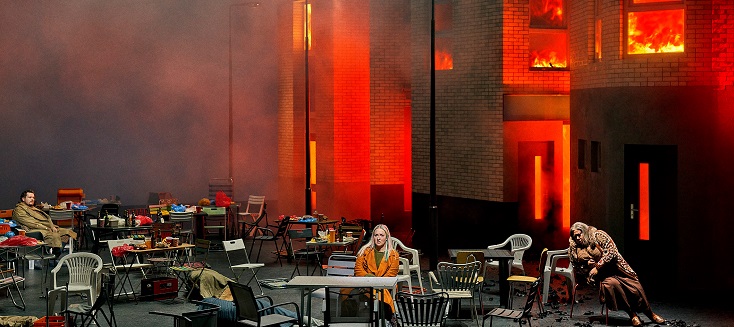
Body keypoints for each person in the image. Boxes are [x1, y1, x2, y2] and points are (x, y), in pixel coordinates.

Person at [568, 222, 665, 327]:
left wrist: (598, 265)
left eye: (579, 234)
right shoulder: (574, 249)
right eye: (575, 236)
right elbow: (576, 266)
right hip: (601, 276)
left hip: (615, 268)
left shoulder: (598, 235)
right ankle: (632, 315)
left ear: (585, 231)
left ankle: (650, 313)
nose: (578, 238)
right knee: (612, 285)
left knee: (634, 287)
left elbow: (612, 251)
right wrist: (586, 265)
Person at [353, 224, 400, 325]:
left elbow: (391, 275)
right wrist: (371, 279)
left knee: (382, 293)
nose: (378, 238)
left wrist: (375, 281)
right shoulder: (364, 251)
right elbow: (358, 270)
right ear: (373, 237)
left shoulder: (394, 255)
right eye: (376, 235)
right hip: (365, 284)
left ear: (387, 238)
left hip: (384, 286)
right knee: (345, 292)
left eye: (382, 235)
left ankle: (383, 321)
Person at [12, 189, 77, 258]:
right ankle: (44, 255)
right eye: (30, 197)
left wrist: (51, 227)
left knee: (66, 232)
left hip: (43, 227)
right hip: (32, 230)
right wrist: (47, 228)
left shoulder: (32, 208)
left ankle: (56, 255)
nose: (32, 199)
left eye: (33, 197)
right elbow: (30, 223)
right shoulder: (19, 210)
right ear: (23, 199)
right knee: (53, 235)